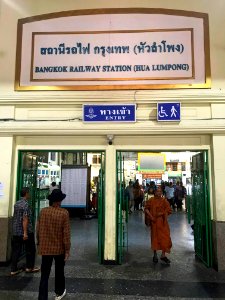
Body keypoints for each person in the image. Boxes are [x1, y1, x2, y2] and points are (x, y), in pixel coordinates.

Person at [37, 189, 71, 300]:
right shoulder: (64, 213)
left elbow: (38, 229)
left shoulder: (43, 212)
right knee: (59, 271)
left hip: (45, 248)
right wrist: (67, 250)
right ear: (59, 201)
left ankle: (42, 297)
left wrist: (39, 243)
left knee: (44, 274)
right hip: (59, 249)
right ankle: (59, 293)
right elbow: (66, 234)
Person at [11, 187, 40, 276]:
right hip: (25, 231)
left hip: (16, 231)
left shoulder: (16, 203)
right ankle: (29, 267)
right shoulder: (26, 205)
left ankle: (13, 269)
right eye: (29, 193)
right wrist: (25, 233)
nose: (30, 195)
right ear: (26, 194)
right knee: (30, 249)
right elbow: (25, 219)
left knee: (16, 250)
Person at [144, 186, 172, 264]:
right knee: (155, 239)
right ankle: (155, 254)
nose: (158, 193)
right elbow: (146, 209)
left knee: (166, 238)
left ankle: (163, 255)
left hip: (163, 223)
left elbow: (169, 210)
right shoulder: (151, 200)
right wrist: (151, 217)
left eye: (160, 192)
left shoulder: (164, 201)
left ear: (161, 193)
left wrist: (162, 213)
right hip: (154, 223)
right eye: (157, 191)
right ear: (154, 192)